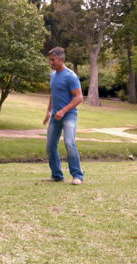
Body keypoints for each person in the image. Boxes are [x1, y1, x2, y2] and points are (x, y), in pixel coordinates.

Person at [42, 47, 85, 185]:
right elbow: (53, 94)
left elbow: (79, 97)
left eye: (53, 60)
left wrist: (63, 111)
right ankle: (56, 175)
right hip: (55, 116)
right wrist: (49, 111)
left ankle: (77, 175)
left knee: (69, 143)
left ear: (61, 59)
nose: (51, 63)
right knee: (50, 146)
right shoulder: (53, 75)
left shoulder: (70, 76)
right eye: (50, 60)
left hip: (69, 115)